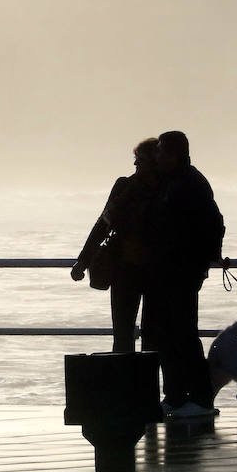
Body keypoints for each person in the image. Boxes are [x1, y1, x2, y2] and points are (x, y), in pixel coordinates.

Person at [142, 131, 225, 419]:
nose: (157, 157)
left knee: (184, 335)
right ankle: (175, 396)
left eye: (162, 152)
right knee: (166, 336)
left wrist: (204, 259)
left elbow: (215, 223)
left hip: (182, 272)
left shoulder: (191, 183)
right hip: (166, 271)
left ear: (176, 154)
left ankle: (201, 399)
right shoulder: (173, 181)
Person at [71, 137, 160, 352]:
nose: (136, 164)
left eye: (140, 160)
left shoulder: (166, 190)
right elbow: (103, 224)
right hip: (129, 269)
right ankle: (132, 383)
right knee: (125, 334)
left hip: (151, 270)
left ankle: (138, 383)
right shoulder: (126, 186)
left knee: (147, 334)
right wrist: (83, 260)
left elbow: (103, 224)